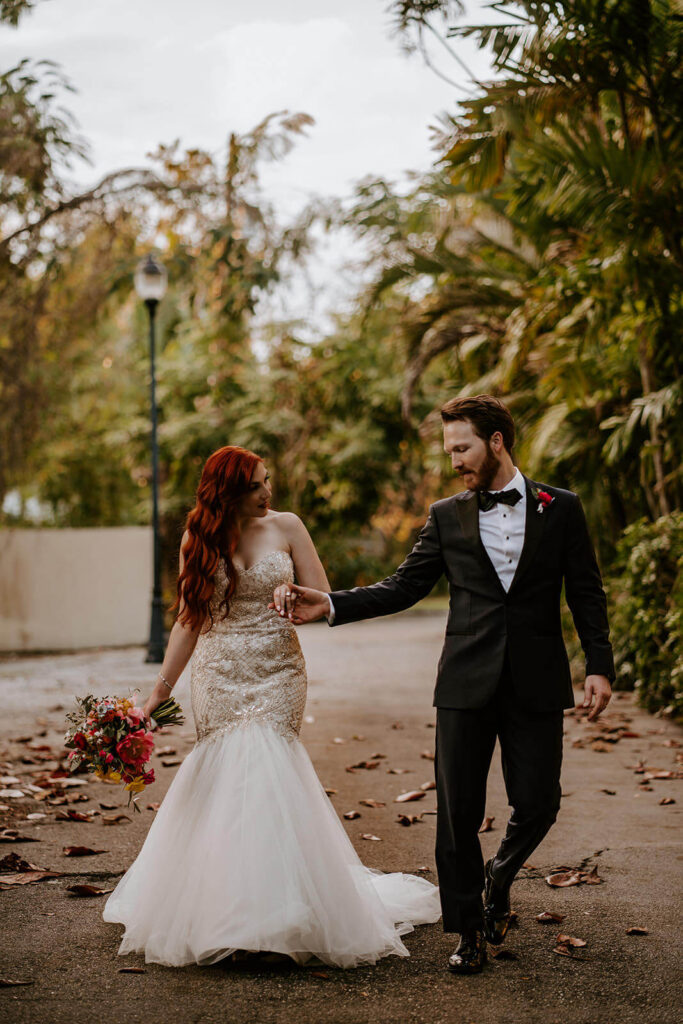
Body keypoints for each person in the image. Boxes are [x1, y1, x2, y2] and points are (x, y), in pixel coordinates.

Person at [272, 395, 615, 975]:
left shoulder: (561, 508)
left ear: (496, 441)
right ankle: (469, 932)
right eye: (450, 449)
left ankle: (499, 875)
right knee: (458, 813)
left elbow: (585, 589)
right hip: (464, 681)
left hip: (536, 680)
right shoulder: (446, 514)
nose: (454, 460)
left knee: (539, 802)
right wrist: (330, 603)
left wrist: (600, 665)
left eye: (463, 447)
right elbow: (403, 587)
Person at [102, 445, 440, 968]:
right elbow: (190, 620)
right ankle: (225, 913)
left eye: (267, 480)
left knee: (269, 775)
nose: (268, 492)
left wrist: (292, 593)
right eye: (257, 485)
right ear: (229, 492)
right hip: (218, 673)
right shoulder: (197, 538)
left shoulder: (287, 526)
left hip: (279, 670)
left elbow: (322, 594)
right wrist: (158, 694)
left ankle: (278, 914)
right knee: (225, 781)